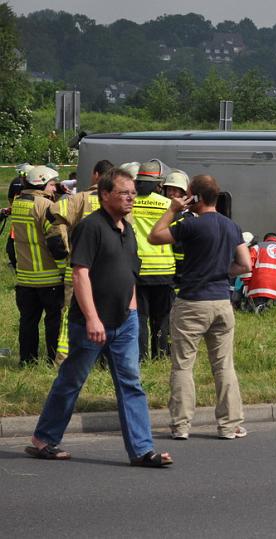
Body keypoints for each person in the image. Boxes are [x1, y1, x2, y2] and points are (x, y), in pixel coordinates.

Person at [26, 167, 173, 467]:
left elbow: (131, 274)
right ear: (105, 194)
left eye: (133, 192)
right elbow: (80, 274)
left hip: (125, 321)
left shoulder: (127, 229)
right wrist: (93, 319)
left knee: (131, 383)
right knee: (71, 381)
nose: (131, 197)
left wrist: (131, 309)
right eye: (124, 193)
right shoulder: (91, 227)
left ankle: (143, 451)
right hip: (91, 323)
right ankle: (44, 439)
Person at [149, 174, 251, 440]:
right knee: (224, 366)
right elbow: (245, 265)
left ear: (196, 197)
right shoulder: (232, 226)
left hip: (192, 302)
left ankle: (181, 426)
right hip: (221, 303)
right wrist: (220, 272)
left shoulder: (190, 225)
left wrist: (172, 209)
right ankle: (229, 426)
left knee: (183, 366)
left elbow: (155, 237)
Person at [49, 159, 114, 362]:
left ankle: (65, 356)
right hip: (106, 270)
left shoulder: (79, 199)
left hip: (78, 268)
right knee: (105, 313)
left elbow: (52, 214)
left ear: (95, 175)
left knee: (71, 314)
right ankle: (103, 358)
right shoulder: (116, 201)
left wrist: (65, 242)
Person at [11, 165, 66, 365]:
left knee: (28, 321)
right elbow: (56, 241)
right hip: (48, 276)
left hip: (25, 277)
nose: (54, 188)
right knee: (53, 322)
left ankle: (27, 359)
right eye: (52, 184)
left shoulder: (18, 202)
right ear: (42, 184)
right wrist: (63, 268)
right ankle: (53, 358)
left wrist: (55, 195)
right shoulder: (45, 206)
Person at [132, 159, 176, 360]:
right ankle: (161, 354)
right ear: (159, 184)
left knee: (139, 317)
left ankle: (140, 355)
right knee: (161, 317)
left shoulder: (129, 203)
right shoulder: (168, 206)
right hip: (163, 269)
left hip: (137, 270)